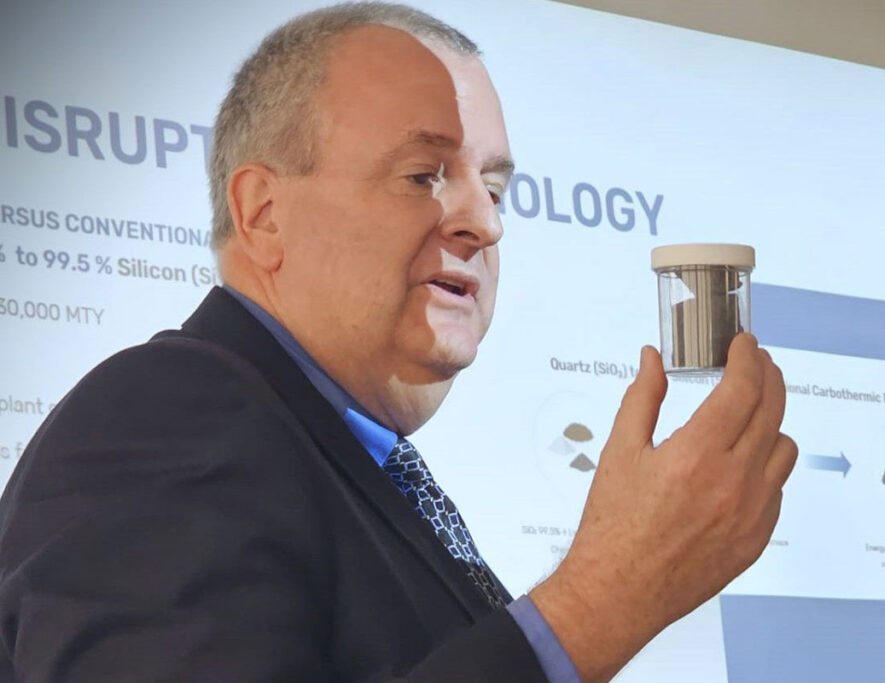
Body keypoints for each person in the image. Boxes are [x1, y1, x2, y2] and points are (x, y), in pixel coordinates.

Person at [0, 3, 797, 681]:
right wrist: (602, 600)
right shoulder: (160, 417)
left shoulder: (338, 457)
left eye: (494, 187)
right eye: (425, 174)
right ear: (264, 214)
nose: (486, 223)